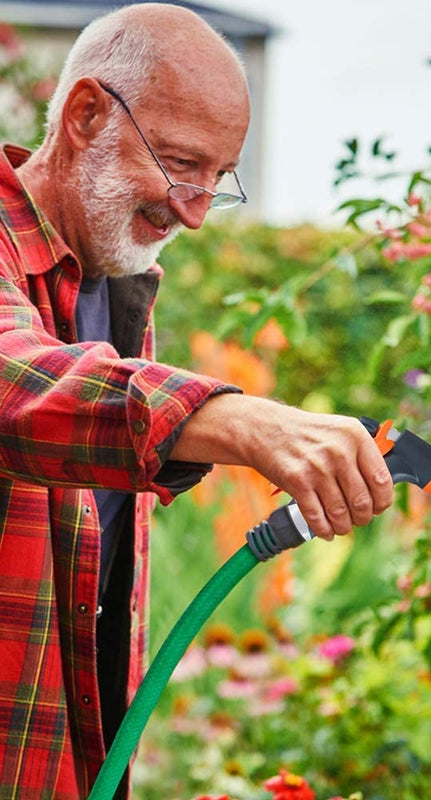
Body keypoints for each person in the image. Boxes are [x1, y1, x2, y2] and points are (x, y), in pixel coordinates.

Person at [0, 3, 394, 798]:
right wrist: (240, 418)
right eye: (182, 166)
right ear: (84, 115)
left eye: (218, 180)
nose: (196, 212)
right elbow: (18, 387)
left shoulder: (118, 289)